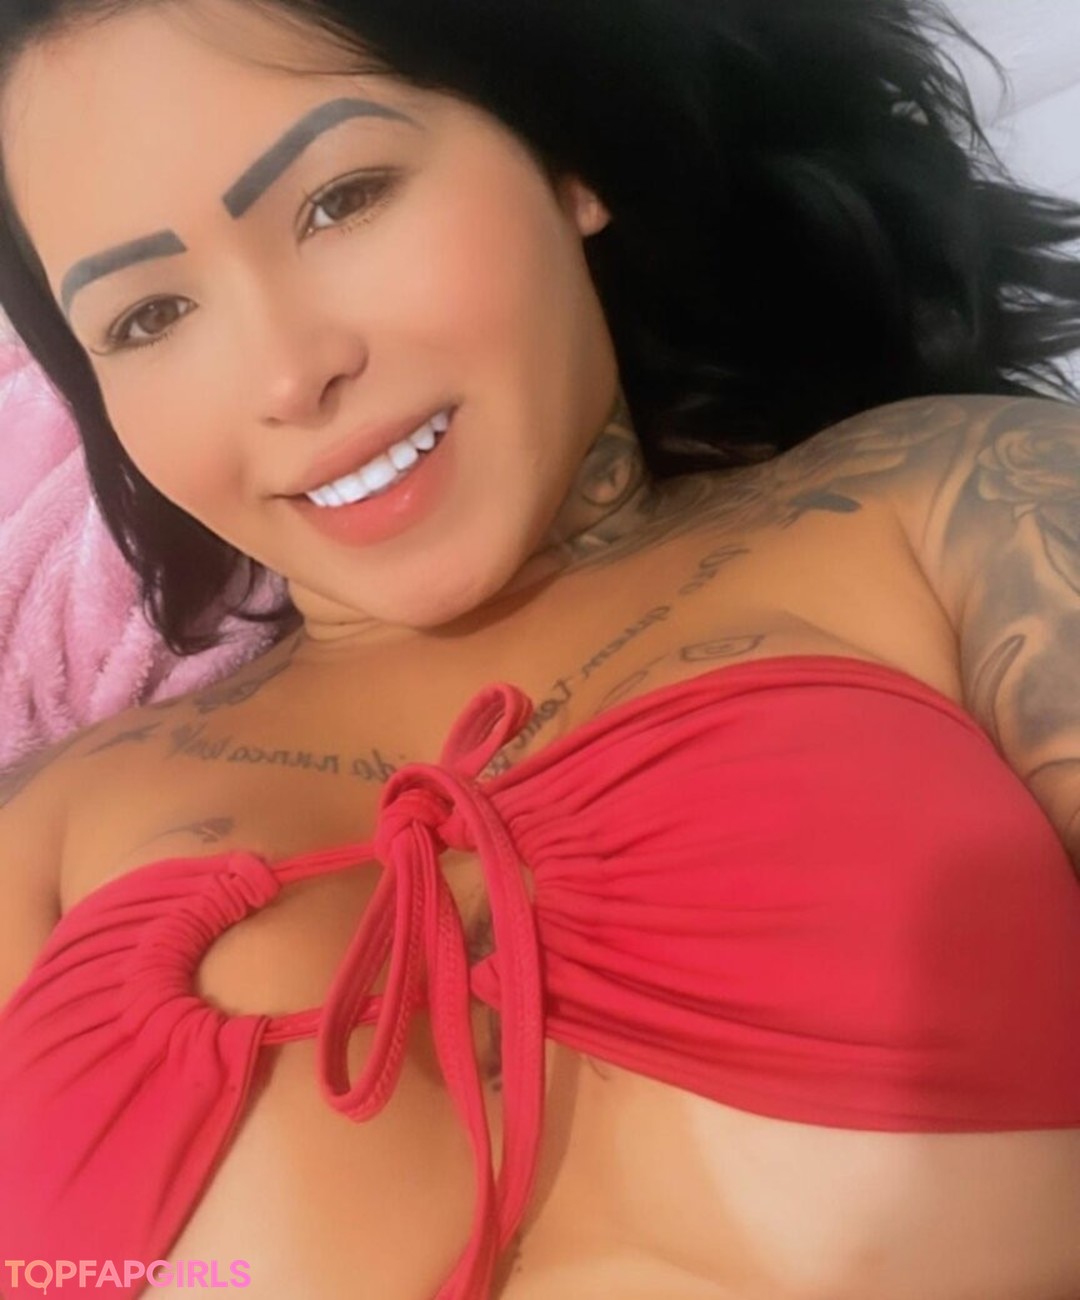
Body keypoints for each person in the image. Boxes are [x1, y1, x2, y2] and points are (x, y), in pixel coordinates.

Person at [1, 0, 1079, 1296]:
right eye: (147, 315)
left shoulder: (964, 506)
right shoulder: (43, 832)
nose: (287, 375)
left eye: (341, 200)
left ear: (569, 160)